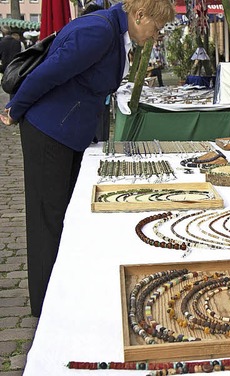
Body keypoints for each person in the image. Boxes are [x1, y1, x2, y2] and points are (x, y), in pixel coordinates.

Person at [0, 0, 175, 317]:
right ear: (139, 16)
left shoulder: (112, 29)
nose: (156, 35)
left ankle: (61, 289)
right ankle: (45, 304)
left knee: (63, 214)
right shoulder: (99, 30)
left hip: (67, 130)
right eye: (157, 27)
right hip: (49, 130)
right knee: (47, 219)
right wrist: (15, 109)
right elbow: (46, 74)